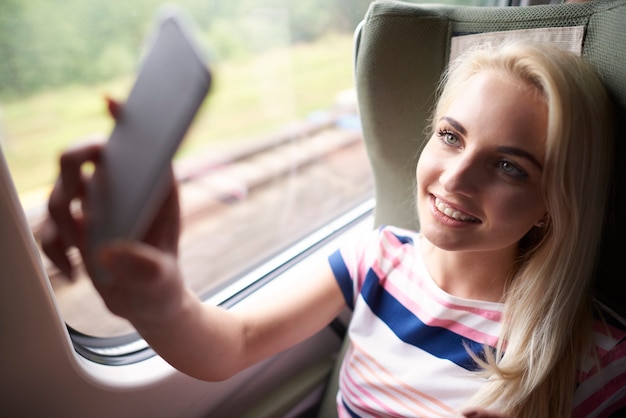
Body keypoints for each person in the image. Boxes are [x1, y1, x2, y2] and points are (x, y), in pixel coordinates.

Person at [40, 41, 625, 418]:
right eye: (450, 136)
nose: (456, 178)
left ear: (553, 201)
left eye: (508, 166)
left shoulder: (594, 357)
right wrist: (158, 299)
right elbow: (233, 342)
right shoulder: (377, 260)